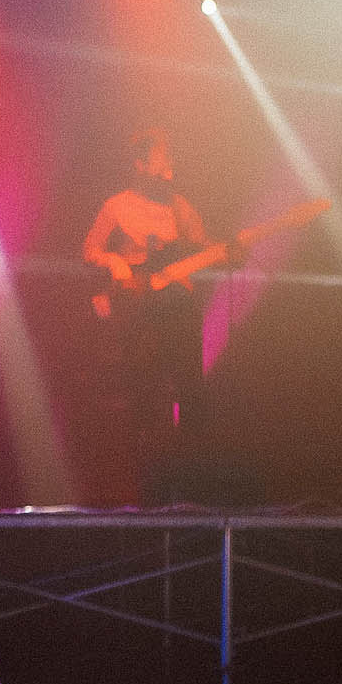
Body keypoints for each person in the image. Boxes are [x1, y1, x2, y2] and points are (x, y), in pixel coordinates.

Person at [80, 128, 231, 498]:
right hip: (141, 310)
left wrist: (230, 250)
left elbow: (203, 245)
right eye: (162, 156)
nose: (169, 163)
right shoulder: (117, 205)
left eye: (169, 156)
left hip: (179, 307)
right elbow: (90, 249)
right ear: (141, 164)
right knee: (145, 391)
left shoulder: (180, 207)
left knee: (190, 388)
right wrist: (114, 260)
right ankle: (147, 482)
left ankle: (195, 481)